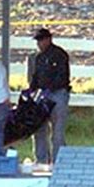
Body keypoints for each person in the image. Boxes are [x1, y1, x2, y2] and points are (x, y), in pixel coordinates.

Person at [30, 28, 71, 165]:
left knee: (57, 130)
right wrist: (32, 90)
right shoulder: (39, 57)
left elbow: (62, 76)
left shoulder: (59, 55)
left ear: (48, 39)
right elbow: (35, 76)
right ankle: (41, 159)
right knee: (39, 128)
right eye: (37, 41)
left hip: (58, 94)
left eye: (41, 40)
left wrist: (50, 88)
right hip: (42, 95)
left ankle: (58, 160)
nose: (39, 43)